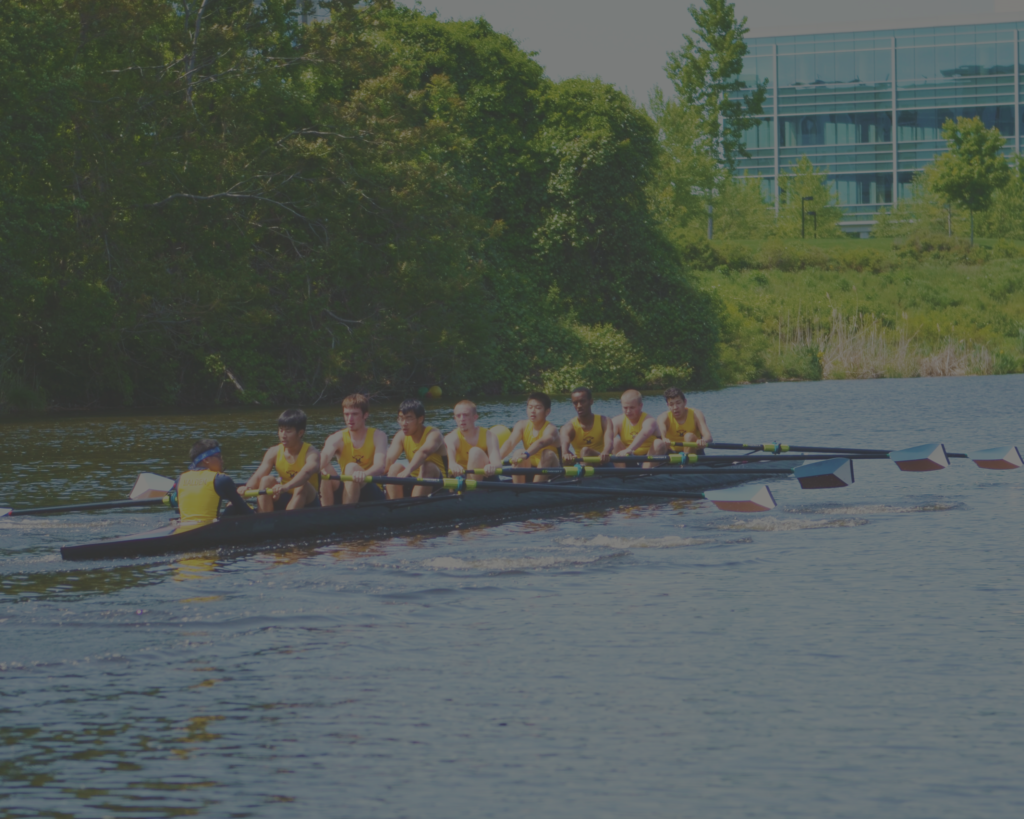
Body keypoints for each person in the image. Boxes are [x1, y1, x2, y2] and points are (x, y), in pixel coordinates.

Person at [245, 409, 321, 512]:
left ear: (300, 433)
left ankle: (286, 523)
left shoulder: (312, 453)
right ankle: (263, 521)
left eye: (288, 431)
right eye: (281, 430)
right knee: (266, 480)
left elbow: (306, 473)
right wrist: (247, 489)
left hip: (310, 503)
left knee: (302, 485)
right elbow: (259, 475)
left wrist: (286, 486)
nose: (283, 435)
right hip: (285, 496)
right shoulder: (274, 452)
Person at [319, 394, 389, 506]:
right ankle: (326, 513)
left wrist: (364, 474)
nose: (349, 419)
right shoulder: (337, 438)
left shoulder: (379, 436)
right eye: (346, 414)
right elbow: (325, 456)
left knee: (351, 467)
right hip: (348, 487)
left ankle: (347, 513)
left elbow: (380, 466)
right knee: (324, 467)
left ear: (365, 415)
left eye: (354, 414)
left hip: (371, 490)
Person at [174, 439, 253, 531]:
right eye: (219, 457)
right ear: (206, 459)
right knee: (233, 506)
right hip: (210, 531)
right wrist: (242, 498)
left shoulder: (180, 479)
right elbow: (246, 512)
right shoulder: (221, 479)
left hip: (184, 529)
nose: (222, 461)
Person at [384, 399, 446, 499]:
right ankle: (394, 507)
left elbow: (423, 452)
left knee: (427, 466)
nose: (404, 423)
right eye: (401, 418)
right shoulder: (401, 436)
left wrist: (408, 469)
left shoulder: (434, 434)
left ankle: (415, 506)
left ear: (420, 419)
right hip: (414, 481)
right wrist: (368, 473)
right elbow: (389, 460)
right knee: (394, 468)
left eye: (408, 418)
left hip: (439, 485)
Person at [500, 391, 560, 483]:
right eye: (530, 407)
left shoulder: (551, 429)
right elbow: (510, 443)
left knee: (547, 453)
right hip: (530, 468)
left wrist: (526, 454)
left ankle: (535, 489)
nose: (533, 411)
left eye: (538, 408)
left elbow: (541, 443)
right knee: (518, 452)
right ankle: (518, 490)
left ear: (547, 412)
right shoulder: (521, 425)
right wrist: (495, 460)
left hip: (552, 471)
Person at [444, 400, 501, 478]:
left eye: (466, 415)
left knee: (475, 452)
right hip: (462, 477)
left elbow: (497, 464)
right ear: (455, 418)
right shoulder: (450, 438)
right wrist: (453, 465)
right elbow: (451, 463)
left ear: (475, 417)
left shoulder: (489, 435)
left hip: (486, 476)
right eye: (458, 416)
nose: (462, 419)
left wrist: (492, 466)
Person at [613, 389, 669, 467]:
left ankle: (645, 474)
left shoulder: (649, 420)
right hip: (628, 457)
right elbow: (608, 438)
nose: (628, 411)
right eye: (625, 408)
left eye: (632, 408)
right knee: (614, 441)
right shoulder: (617, 421)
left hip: (648, 456)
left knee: (658, 443)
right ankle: (621, 474)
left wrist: (630, 449)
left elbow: (645, 433)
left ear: (640, 406)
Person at [559, 386, 614, 465]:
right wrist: (565, 454)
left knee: (585, 451)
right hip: (580, 463)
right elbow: (564, 443)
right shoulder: (567, 427)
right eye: (575, 403)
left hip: (602, 462)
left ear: (591, 401)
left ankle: (583, 474)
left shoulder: (604, 421)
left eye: (582, 401)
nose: (579, 406)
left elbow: (609, 442)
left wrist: (605, 452)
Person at [657, 387, 713, 453]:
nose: (675, 407)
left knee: (689, 436)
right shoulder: (663, 417)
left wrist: (703, 441)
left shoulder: (696, 414)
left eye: (678, 403)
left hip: (695, 452)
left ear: (685, 402)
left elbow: (708, 437)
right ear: (668, 405)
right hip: (672, 453)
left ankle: (685, 462)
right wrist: (663, 438)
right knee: (657, 443)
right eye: (671, 404)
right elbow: (661, 431)